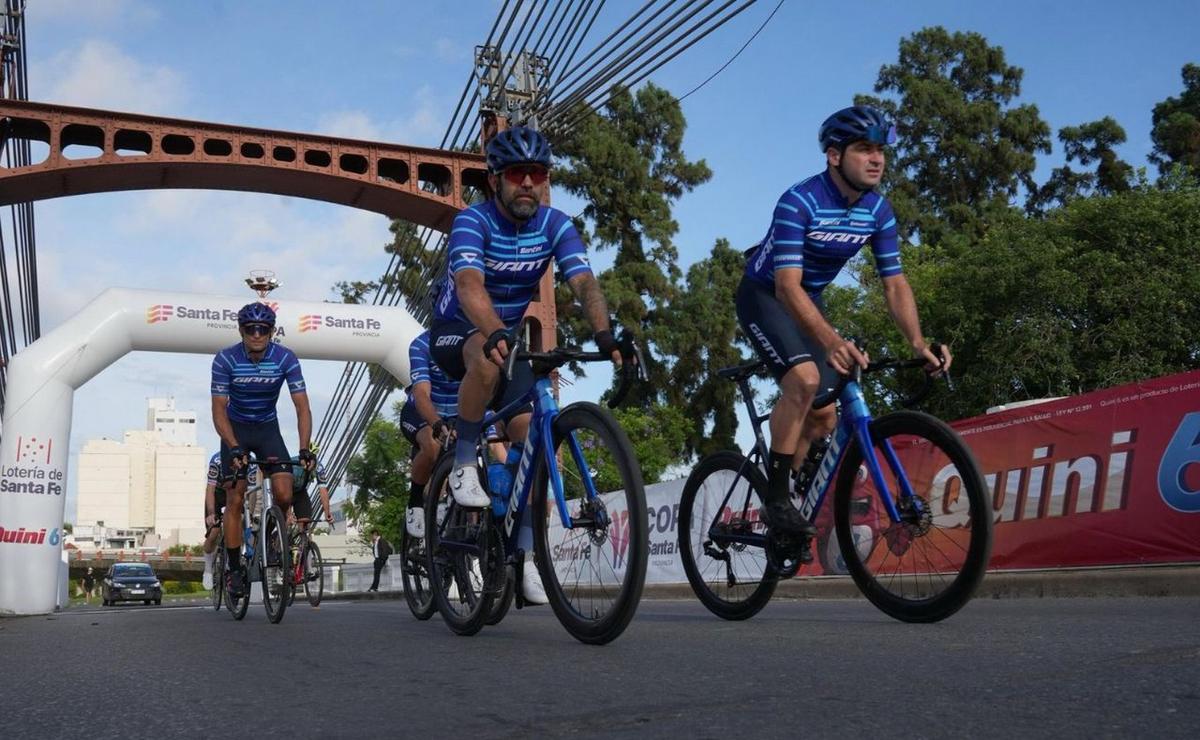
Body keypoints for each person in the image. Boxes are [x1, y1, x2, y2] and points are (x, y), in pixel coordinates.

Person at [430, 125, 626, 606]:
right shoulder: (472, 222)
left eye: (537, 174)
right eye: (517, 173)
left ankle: (526, 558)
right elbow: (471, 287)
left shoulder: (556, 224)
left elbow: (584, 284)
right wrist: (496, 329)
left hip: (505, 340)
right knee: (486, 357)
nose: (528, 183)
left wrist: (606, 334)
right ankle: (463, 462)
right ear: (496, 178)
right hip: (457, 331)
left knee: (531, 439)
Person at [736, 105, 951, 537]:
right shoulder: (799, 201)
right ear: (834, 156)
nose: (877, 159)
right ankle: (775, 501)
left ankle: (794, 495)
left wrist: (917, 343)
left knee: (824, 418)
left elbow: (894, 284)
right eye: (864, 149)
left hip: (806, 300)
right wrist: (832, 340)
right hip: (766, 294)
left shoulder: (878, 211)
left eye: (881, 150)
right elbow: (787, 288)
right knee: (804, 379)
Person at [211, 302, 316, 600]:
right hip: (236, 430)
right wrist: (232, 447)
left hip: (268, 429)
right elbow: (219, 410)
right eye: (250, 329)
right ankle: (233, 570)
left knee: (285, 493)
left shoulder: (286, 358)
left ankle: (273, 538)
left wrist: (304, 448)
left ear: (271, 331)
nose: (256, 335)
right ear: (241, 331)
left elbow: (302, 406)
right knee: (235, 496)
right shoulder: (225, 359)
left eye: (263, 329)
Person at [399, 329, 459, 540]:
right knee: (433, 446)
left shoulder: (474, 339)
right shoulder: (421, 344)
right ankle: (415, 502)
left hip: (455, 413)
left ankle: (442, 505)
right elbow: (421, 393)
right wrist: (435, 422)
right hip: (420, 412)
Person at [201, 452, 261, 589]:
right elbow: (210, 489)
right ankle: (208, 568)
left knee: (238, 525)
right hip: (218, 494)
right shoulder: (216, 460)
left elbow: (251, 494)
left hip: (237, 493)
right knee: (214, 531)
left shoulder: (250, 463)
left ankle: (232, 561)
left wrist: (249, 515)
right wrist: (211, 513)